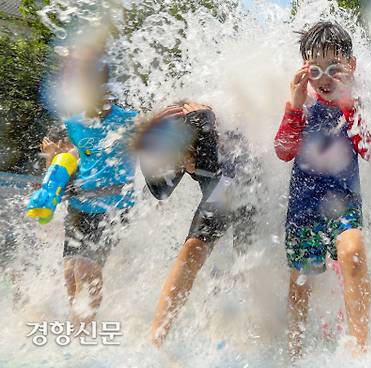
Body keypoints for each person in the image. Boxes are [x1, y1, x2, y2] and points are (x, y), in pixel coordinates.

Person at [274, 21, 371, 358]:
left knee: (353, 250)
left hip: (344, 202)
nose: (326, 79)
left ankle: (361, 350)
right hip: (303, 207)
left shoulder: (357, 105)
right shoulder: (301, 107)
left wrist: (348, 104)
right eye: (316, 70)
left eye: (335, 68)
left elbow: (370, 150)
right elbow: (283, 151)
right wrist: (293, 103)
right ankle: (295, 353)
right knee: (300, 282)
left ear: (352, 66)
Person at [136, 101, 258, 347]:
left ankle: (247, 336)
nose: (185, 165)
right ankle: (157, 341)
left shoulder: (201, 127)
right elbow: (159, 191)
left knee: (243, 260)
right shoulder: (175, 144)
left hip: (250, 186)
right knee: (192, 250)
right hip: (221, 191)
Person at [27, 63, 136, 324]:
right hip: (80, 205)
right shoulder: (74, 124)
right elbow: (69, 163)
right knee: (69, 271)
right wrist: (52, 169)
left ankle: (84, 330)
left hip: (114, 206)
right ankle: (78, 324)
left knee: (86, 268)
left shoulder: (128, 121)